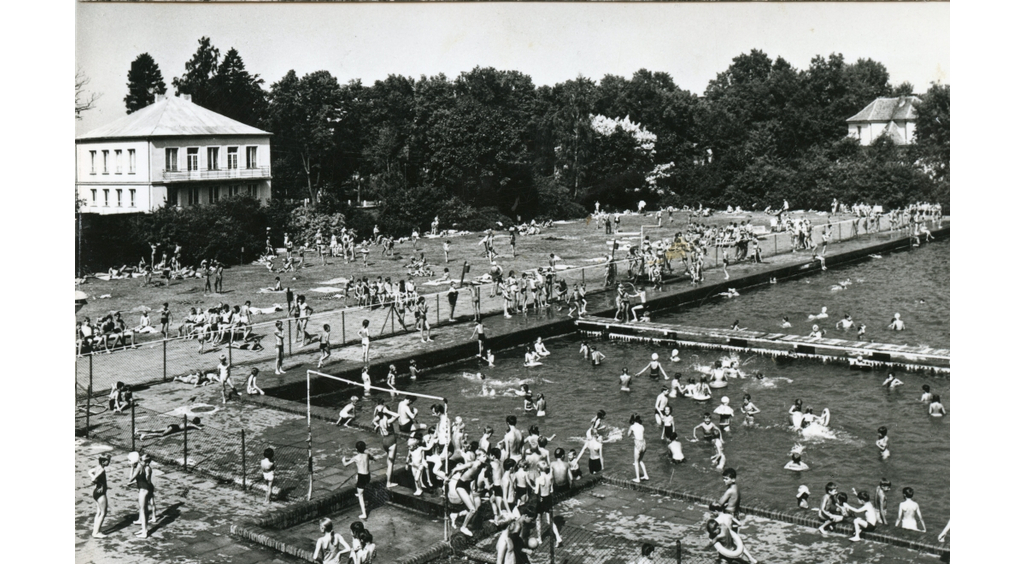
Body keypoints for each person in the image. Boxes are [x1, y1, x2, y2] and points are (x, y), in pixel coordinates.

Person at [343, 441, 376, 519]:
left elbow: (346, 465)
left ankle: (364, 514)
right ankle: (359, 491)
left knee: (360, 496)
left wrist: (343, 460)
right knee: (357, 477)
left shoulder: (356, 458)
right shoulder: (367, 455)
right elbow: (373, 458)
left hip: (362, 477)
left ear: (356, 449)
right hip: (367, 476)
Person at [125, 452, 152, 538]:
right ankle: (144, 529)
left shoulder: (139, 467)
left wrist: (132, 468)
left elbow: (131, 479)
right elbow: (144, 480)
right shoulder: (146, 467)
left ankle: (144, 532)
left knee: (142, 511)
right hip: (146, 489)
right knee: (145, 510)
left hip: (143, 491)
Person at [88, 453, 111, 538]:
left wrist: (94, 477)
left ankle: (95, 531)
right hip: (101, 493)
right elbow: (94, 478)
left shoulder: (97, 467)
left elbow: (89, 472)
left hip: (96, 492)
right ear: (103, 461)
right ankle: (96, 533)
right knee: (103, 513)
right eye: (108, 461)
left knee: (98, 512)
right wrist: (94, 479)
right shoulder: (102, 470)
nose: (109, 462)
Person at [627, 414, 651, 482]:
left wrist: (631, 434)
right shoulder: (642, 426)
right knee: (640, 460)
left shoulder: (632, 426)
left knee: (636, 462)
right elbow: (640, 434)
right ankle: (646, 475)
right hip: (644, 443)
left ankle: (638, 478)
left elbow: (628, 435)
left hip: (638, 444)